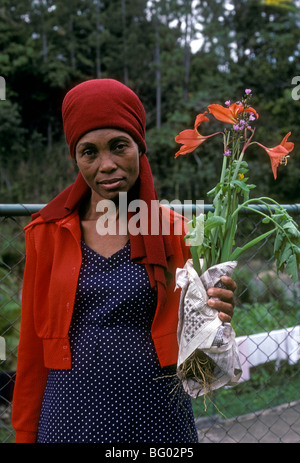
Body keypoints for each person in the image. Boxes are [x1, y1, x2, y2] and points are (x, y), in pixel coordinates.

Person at [12, 79, 236, 444]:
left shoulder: (177, 233)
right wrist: (24, 432)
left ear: (139, 148)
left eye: (119, 147)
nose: (107, 165)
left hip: (158, 413)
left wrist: (219, 309)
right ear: (76, 158)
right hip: (70, 414)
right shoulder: (48, 234)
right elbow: (32, 349)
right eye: (89, 152)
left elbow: (199, 332)